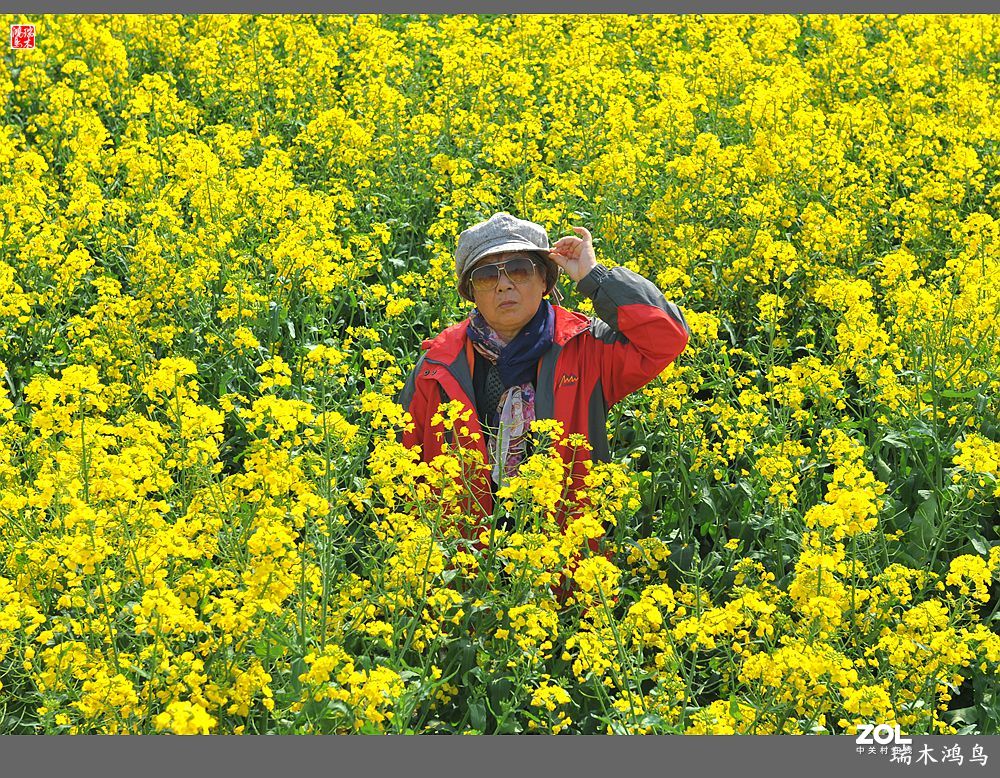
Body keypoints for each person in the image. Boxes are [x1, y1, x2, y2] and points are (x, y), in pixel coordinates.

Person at [397, 211, 690, 538]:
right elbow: (401, 466)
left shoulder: (588, 348)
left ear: (546, 282)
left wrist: (594, 277)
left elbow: (668, 337)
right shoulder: (436, 366)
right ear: (471, 292)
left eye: (519, 270)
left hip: (564, 562)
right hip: (463, 565)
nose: (504, 284)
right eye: (485, 276)